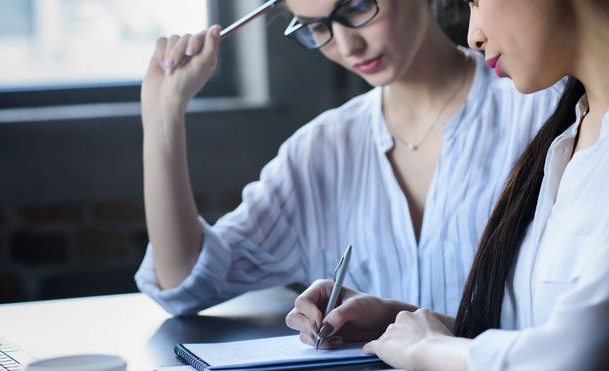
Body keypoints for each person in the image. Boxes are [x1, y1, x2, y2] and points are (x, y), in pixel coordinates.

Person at [289, 0, 609, 371]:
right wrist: (403, 324)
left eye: (476, 1)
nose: (473, 35)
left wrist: (427, 348)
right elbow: (539, 340)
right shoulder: (576, 129)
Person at [135, 0, 560, 322]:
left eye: (357, 6)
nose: (346, 44)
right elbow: (185, 281)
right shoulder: (321, 151)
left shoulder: (541, 113)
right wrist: (161, 117)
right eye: (316, 27)